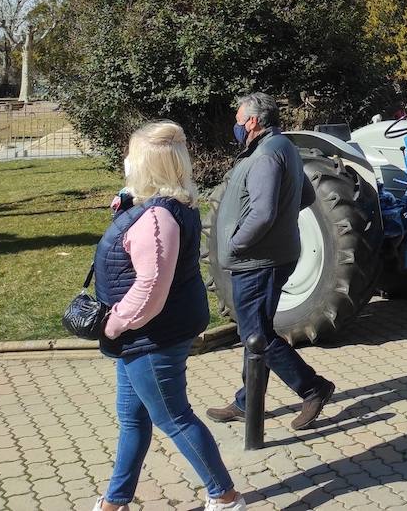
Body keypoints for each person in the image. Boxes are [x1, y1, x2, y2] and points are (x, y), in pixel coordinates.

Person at [93, 122, 245, 511]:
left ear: (148, 165)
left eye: (133, 156)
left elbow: (150, 289)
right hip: (143, 335)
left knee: (174, 417)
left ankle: (225, 497)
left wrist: (113, 323)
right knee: (133, 417)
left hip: (152, 336)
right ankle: (115, 502)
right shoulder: (166, 204)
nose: (127, 161)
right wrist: (127, 206)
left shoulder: (159, 219)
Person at [209, 94, 334, 430]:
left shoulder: (266, 155)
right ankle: (248, 402)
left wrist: (236, 243)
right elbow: (305, 195)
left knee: (256, 334)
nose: (236, 126)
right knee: (256, 330)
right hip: (270, 256)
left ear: (252, 121)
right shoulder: (283, 147)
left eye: (239, 120)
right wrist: (280, 221)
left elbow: (262, 213)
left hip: (257, 261)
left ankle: (313, 388)